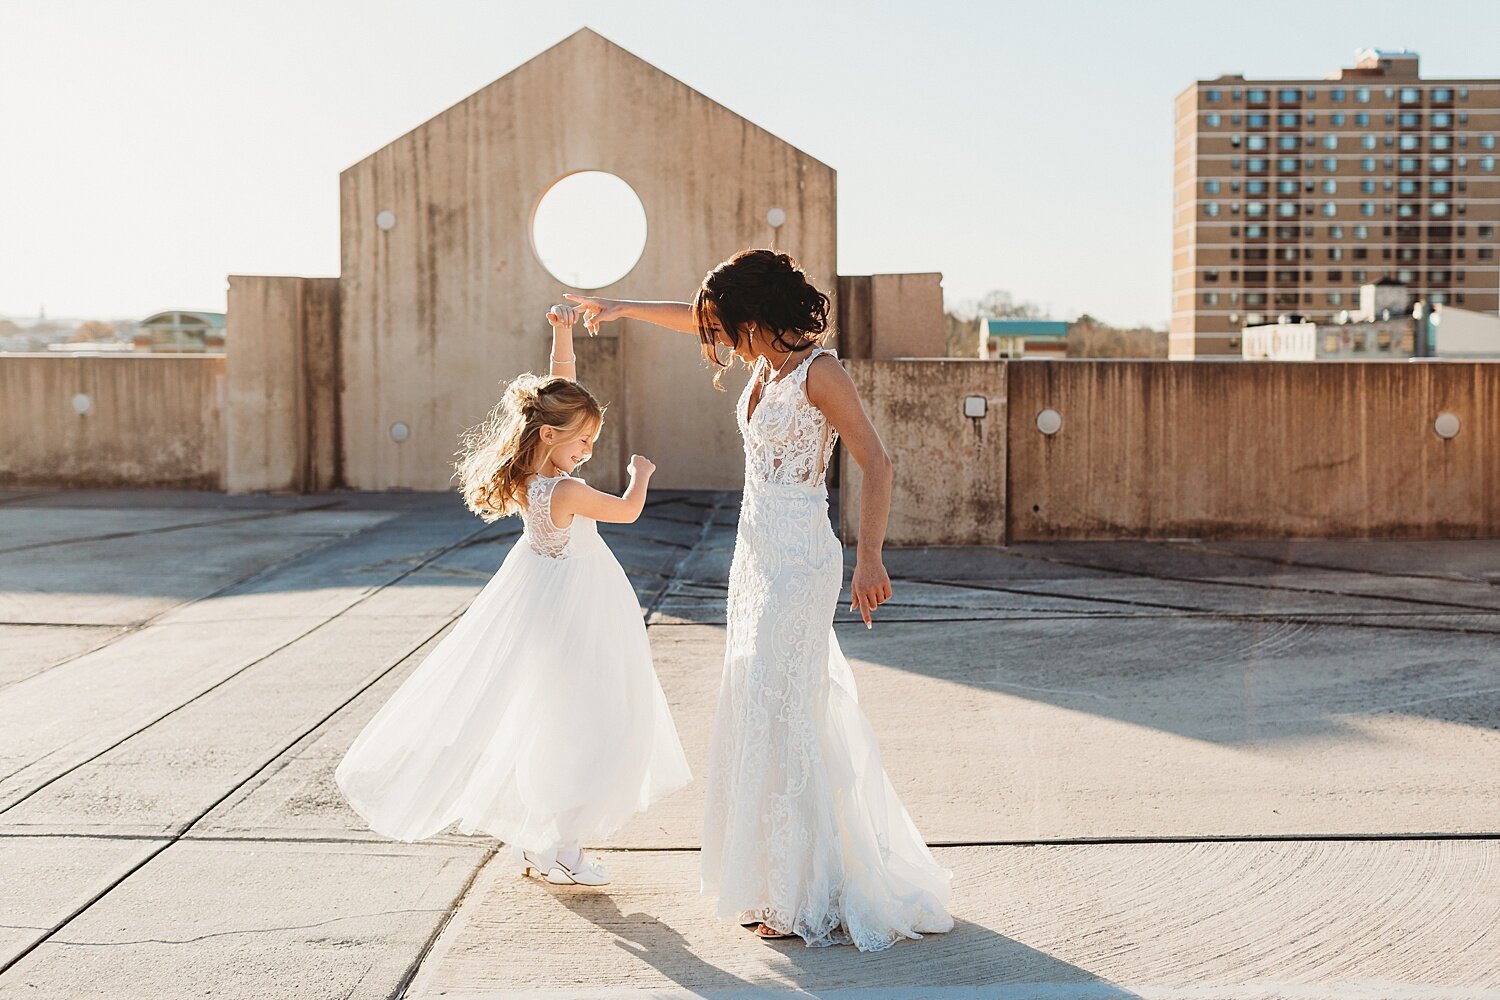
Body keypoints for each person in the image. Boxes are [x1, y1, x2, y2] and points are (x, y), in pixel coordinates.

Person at [566, 248, 953, 950]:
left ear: (754, 316)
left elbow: (877, 461)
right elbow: (690, 321)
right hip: (754, 556)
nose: (713, 339)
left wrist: (870, 556)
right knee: (759, 704)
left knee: (784, 710)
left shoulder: (819, 371)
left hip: (803, 557)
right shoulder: (762, 365)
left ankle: (797, 893)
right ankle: (771, 876)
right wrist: (622, 308)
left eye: (723, 325)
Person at [335, 303, 690, 887]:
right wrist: (641, 474)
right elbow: (627, 513)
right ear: (550, 436)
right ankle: (562, 848)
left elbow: (559, 389)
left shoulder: (530, 477)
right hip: (577, 610)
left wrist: (561, 334)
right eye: (583, 442)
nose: (589, 452)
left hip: (544, 599)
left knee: (559, 715)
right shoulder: (569, 490)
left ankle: (547, 839)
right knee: (588, 719)